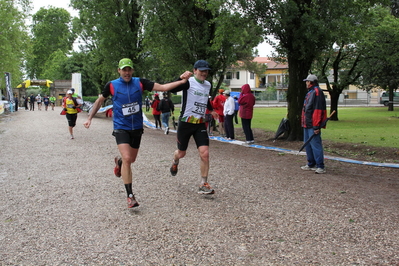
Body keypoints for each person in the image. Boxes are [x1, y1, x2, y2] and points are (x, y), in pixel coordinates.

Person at [83, 58, 190, 208]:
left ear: (132, 71)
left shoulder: (140, 82)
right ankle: (130, 196)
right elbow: (100, 101)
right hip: (121, 127)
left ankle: (119, 162)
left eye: (129, 70)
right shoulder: (112, 85)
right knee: (127, 158)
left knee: (130, 160)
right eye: (124, 70)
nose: (126, 72)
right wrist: (89, 118)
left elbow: (164, 87)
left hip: (137, 128)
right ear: (119, 70)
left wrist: (181, 80)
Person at [169, 59, 218, 195]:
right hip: (185, 123)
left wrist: (211, 109)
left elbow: (205, 99)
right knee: (181, 153)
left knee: (205, 153)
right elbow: (172, 88)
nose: (204, 73)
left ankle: (203, 183)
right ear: (195, 70)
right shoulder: (188, 82)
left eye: (206, 71)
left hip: (200, 124)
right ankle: (175, 160)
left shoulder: (207, 85)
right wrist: (180, 78)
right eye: (201, 70)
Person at [300, 74, 327, 174]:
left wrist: (316, 125)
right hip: (306, 123)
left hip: (312, 124)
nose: (306, 83)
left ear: (311, 82)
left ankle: (320, 165)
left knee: (315, 145)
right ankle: (311, 163)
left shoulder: (317, 92)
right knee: (308, 144)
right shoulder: (310, 92)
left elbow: (318, 111)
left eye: (307, 81)